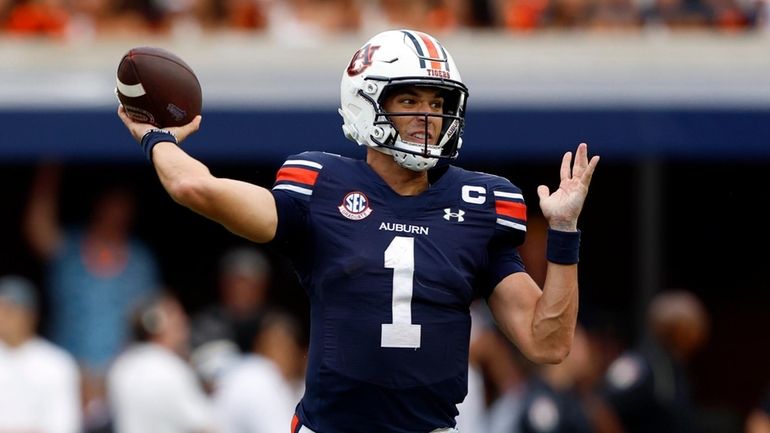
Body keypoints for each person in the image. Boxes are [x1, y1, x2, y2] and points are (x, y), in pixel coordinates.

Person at [116, 28, 599, 433]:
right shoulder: (321, 187)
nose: (426, 116)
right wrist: (156, 138)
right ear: (366, 101)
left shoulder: (479, 206)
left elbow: (548, 343)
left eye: (437, 101)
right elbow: (195, 188)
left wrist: (563, 231)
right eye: (408, 99)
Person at [23, 163, 161, 428]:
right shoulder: (69, 250)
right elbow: (37, 227)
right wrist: (49, 164)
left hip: (123, 378)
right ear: (98, 206)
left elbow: (150, 322)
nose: (116, 212)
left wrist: (112, 376)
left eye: (123, 205)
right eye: (111, 204)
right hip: (68, 375)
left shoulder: (141, 261)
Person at [598, 289, 710, 433]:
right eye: (693, 324)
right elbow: (602, 408)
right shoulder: (638, 365)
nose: (700, 332)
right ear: (674, 328)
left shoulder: (674, 366)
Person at [106, 291, 217, 433]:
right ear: (156, 325)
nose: (184, 325)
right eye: (177, 320)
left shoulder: (121, 367)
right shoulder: (171, 368)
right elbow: (203, 427)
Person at [0, 274, 82, 433]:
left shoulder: (56, 363)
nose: (2, 318)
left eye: (9, 311)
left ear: (30, 315)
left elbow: (65, 424)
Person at [213, 308, 307, 433]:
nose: (276, 355)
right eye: (269, 346)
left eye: (284, 348)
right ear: (257, 349)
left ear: (299, 354)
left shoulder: (299, 386)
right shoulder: (255, 375)